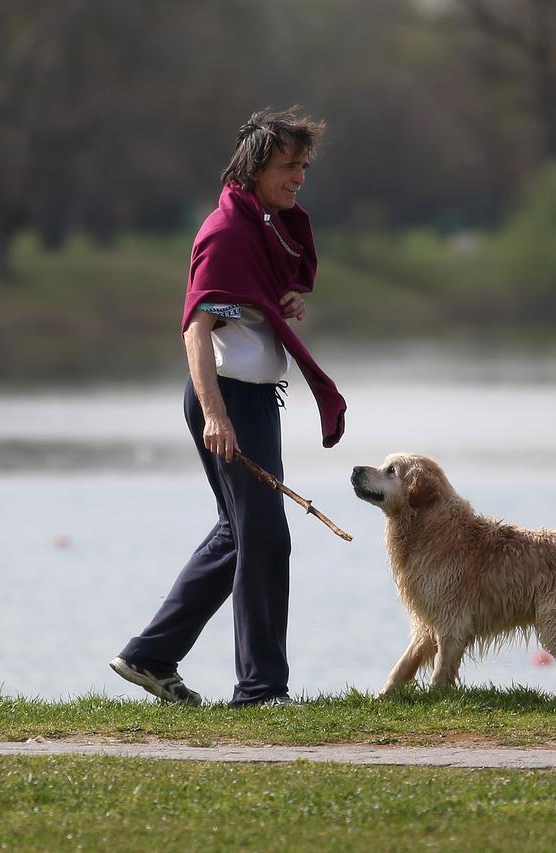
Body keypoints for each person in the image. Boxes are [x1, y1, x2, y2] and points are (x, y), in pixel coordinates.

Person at [111, 107, 347, 707]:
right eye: (288, 167)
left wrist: (282, 301)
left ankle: (150, 655)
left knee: (241, 533)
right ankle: (262, 689)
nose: (298, 178)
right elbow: (196, 330)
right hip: (227, 402)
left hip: (255, 400)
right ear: (256, 166)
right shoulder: (226, 232)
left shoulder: (265, 227)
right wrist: (217, 416)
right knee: (266, 539)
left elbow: (247, 304)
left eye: (303, 167)